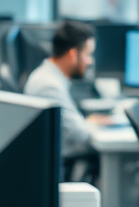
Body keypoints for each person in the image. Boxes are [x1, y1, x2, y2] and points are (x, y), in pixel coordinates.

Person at [23, 20, 110, 158]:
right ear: (72, 55)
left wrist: (88, 122)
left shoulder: (50, 76)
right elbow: (81, 135)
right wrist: (94, 125)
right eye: (88, 54)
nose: (90, 61)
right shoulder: (48, 85)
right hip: (63, 159)